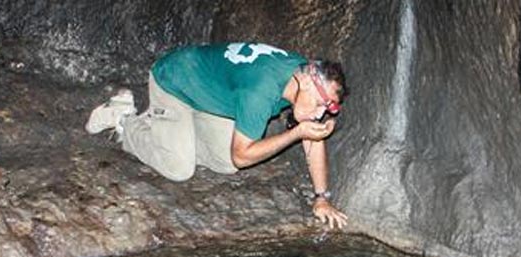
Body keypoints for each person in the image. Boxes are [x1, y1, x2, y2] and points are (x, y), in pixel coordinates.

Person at [85, 42, 349, 229]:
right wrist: (296, 133)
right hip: (174, 81)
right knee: (178, 167)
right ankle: (124, 120)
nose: (318, 115)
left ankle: (175, 132)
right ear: (304, 83)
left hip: (209, 95)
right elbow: (243, 156)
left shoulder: (299, 71)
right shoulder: (261, 91)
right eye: (319, 104)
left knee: (225, 162)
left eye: (326, 109)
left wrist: (322, 200)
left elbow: (312, 138)